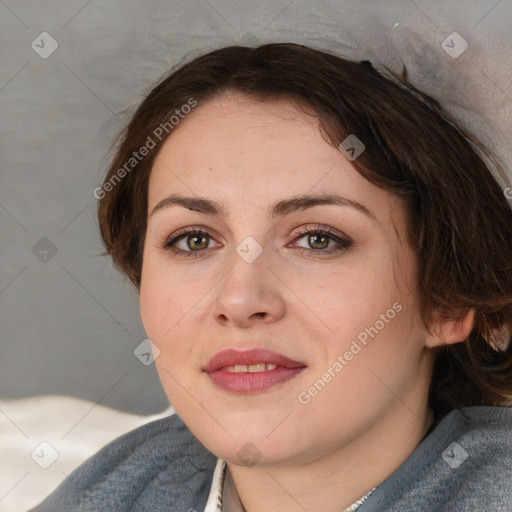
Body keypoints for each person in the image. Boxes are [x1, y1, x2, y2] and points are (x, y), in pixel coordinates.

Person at [32, 42, 512, 512]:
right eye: (194, 240)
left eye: (318, 239)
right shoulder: (104, 492)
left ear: (448, 298)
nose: (240, 299)